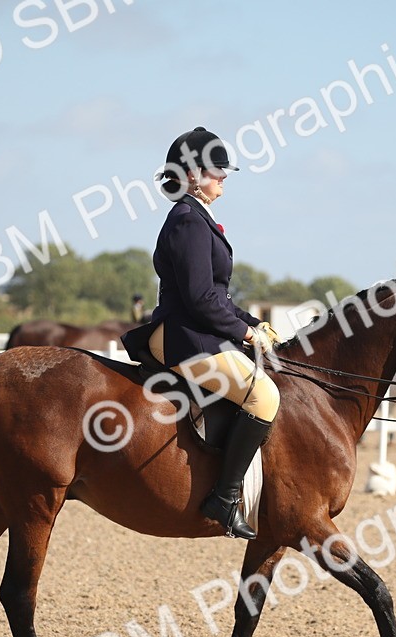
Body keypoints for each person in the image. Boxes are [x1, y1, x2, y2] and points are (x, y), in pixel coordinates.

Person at [121, 127, 282, 540]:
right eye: (217, 171)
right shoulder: (188, 221)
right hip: (186, 334)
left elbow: (218, 296)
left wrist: (253, 322)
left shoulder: (198, 217)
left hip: (195, 327)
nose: (224, 177)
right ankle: (225, 499)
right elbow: (199, 299)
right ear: (193, 174)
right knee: (263, 395)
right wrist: (245, 335)